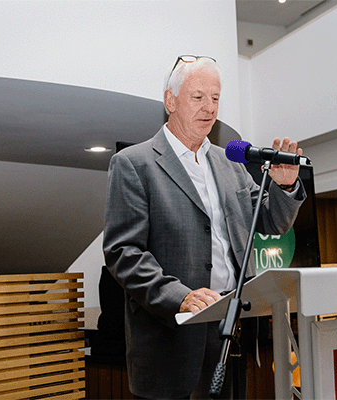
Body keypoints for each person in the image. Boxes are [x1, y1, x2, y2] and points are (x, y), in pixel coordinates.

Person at [103, 55, 306, 399]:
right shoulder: (134, 164)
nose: (209, 107)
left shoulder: (230, 163)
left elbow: (270, 221)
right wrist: (180, 297)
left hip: (230, 336)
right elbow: (124, 252)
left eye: (215, 98)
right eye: (198, 97)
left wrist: (284, 187)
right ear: (171, 101)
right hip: (170, 341)